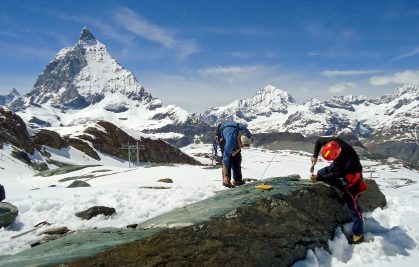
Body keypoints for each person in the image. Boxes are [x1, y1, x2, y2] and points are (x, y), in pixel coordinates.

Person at [310, 136, 368, 244]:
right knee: (321, 172)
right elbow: (319, 141)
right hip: (338, 165)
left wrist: (319, 178)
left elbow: (334, 175)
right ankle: (341, 189)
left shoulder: (345, 162)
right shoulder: (333, 143)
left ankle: (358, 234)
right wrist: (315, 156)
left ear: (336, 154)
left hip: (352, 174)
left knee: (352, 203)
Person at [214, 121, 253, 188]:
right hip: (223, 135)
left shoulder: (248, 135)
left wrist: (237, 150)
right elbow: (225, 159)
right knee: (229, 159)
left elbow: (245, 143)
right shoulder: (230, 142)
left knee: (237, 159)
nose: (242, 147)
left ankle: (237, 180)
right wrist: (226, 175)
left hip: (233, 132)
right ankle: (226, 180)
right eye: (242, 146)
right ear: (239, 140)